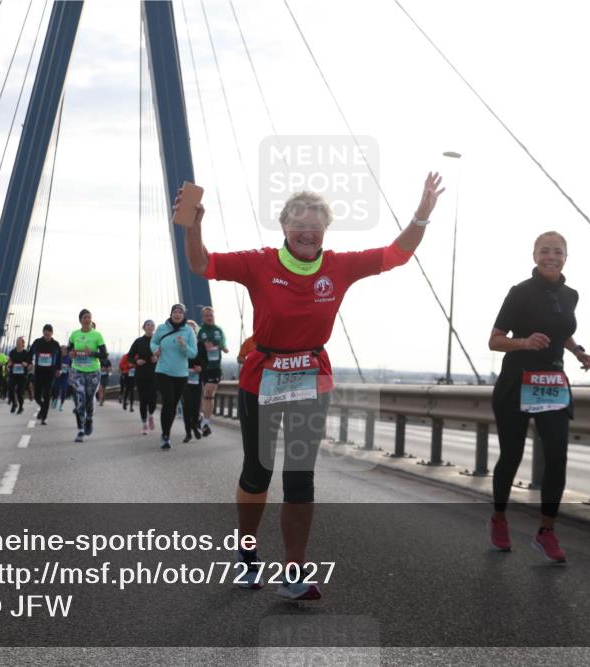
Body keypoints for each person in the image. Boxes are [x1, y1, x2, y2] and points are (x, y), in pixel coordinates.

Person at [181, 176, 444, 599]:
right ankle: (247, 558)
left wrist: (421, 215)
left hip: (311, 377)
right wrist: (193, 226)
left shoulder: (339, 266)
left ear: (325, 231)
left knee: (301, 477)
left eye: (316, 227)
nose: (307, 233)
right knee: (258, 471)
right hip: (261, 377)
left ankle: (294, 571)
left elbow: (396, 254)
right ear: (284, 228)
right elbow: (201, 265)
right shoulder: (259, 262)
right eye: (299, 225)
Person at [487, 231, 590, 564]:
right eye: (545, 251)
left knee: (557, 457)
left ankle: (546, 531)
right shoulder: (519, 293)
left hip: (551, 382)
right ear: (535, 256)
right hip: (517, 381)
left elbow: (561, 330)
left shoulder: (571, 295)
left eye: (558, 252)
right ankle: (499, 518)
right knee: (512, 455)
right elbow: (494, 340)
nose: (551, 256)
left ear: (566, 257)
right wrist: (523, 342)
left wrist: (577, 351)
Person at [151, 305, 197, 450]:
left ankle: (166, 433)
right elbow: (153, 342)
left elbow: (193, 353)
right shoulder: (161, 328)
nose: (177, 314)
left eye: (180, 312)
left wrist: (184, 346)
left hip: (181, 374)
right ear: (171, 314)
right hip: (163, 371)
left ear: (184, 315)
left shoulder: (188, 331)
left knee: (173, 405)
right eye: (174, 312)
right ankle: (165, 436)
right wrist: (155, 350)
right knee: (168, 402)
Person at [68, 309, 107, 443]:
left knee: (90, 398)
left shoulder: (97, 335)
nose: (87, 319)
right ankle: (80, 430)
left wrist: (92, 353)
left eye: (89, 317)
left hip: (93, 371)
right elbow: (69, 350)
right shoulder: (74, 334)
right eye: (85, 317)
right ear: (80, 320)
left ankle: (89, 418)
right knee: (81, 397)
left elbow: (104, 354)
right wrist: (71, 353)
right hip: (77, 370)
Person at [196, 306, 229, 437]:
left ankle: (206, 421)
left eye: (211, 315)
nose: (210, 317)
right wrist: (203, 346)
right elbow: (196, 348)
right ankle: (202, 419)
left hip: (215, 367)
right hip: (203, 367)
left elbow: (223, 344)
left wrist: (222, 346)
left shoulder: (218, 330)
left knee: (209, 391)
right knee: (204, 393)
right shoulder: (201, 331)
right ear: (203, 318)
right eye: (207, 315)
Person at [127, 320, 159, 435]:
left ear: (154, 328)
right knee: (143, 400)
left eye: (152, 325)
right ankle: (144, 423)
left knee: (153, 399)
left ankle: (151, 415)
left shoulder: (158, 341)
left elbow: (165, 355)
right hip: (141, 374)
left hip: (155, 374)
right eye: (148, 325)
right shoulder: (138, 341)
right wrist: (136, 361)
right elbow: (129, 356)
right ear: (144, 328)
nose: (150, 327)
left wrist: (158, 358)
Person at [29, 324, 62, 425]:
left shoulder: (55, 344)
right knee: (38, 396)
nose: (47, 336)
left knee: (47, 394)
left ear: (52, 334)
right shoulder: (37, 342)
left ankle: (44, 417)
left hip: (50, 373)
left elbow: (59, 358)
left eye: (49, 335)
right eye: (45, 334)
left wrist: (58, 369)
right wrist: (29, 363)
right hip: (39, 372)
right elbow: (30, 354)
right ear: (43, 333)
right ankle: (43, 408)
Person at [182, 320, 205, 443]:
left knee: (196, 407)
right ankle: (188, 433)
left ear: (196, 331)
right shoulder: (181, 344)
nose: (190, 330)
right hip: (184, 379)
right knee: (187, 406)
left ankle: (195, 426)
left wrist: (201, 367)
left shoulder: (201, 345)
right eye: (188, 328)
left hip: (196, 380)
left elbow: (205, 361)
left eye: (193, 328)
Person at [7, 336, 30, 414]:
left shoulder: (26, 353)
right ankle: (14, 403)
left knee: (19, 391)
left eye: (19, 342)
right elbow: (9, 361)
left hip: (22, 375)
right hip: (13, 374)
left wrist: (26, 364)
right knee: (10, 390)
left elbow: (30, 365)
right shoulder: (12, 352)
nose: (18, 344)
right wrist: (9, 364)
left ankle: (21, 407)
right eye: (17, 342)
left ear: (23, 344)